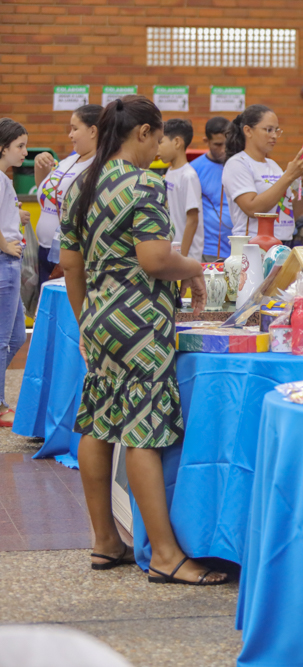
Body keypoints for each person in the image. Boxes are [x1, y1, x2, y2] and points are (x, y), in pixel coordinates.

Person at [60, 96, 226, 584]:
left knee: (98, 422)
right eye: (157, 137)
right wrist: (198, 268)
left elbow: (71, 264)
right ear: (143, 133)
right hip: (139, 321)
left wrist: (87, 317)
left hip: (99, 316)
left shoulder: (82, 183)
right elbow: (155, 259)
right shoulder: (144, 184)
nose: (159, 147)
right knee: (142, 431)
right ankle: (167, 555)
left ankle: (105, 540)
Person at [33, 104, 101, 284]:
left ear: (93, 131)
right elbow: (48, 195)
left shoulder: (101, 167)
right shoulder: (69, 160)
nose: (70, 135)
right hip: (46, 250)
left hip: (71, 255)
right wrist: (40, 166)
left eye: (75, 129)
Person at [222, 104, 303, 242]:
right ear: (248, 131)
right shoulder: (237, 163)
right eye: (268, 130)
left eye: (276, 130)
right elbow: (252, 209)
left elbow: (290, 213)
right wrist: (288, 177)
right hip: (252, 243)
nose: (274, 136)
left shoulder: (273, 165)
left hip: (282, 242)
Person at [0, 118, 30, 429]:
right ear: (2, 147)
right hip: (4, 263)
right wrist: (6, 246)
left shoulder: (4, 181)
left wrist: (16, 215)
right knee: (2, 339)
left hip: (9, 263)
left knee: (17, 335)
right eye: (19, 146)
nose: (24, 152)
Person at [159, 119, 203, 259]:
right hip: (172, 253)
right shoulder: (170, 172)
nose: (156, 148)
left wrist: (182, 257)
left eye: (160, 142)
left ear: (177, 142)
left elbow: (192, 219)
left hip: (186, 256)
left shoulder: (188, 176)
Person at [190, 116, 232, 262]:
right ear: (206, 141)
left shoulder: (240, 165)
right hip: (209, 249)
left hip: (240, 246)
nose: (223, 150)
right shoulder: (194, 170)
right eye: (218, 144)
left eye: (226, 144)